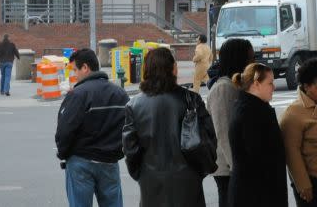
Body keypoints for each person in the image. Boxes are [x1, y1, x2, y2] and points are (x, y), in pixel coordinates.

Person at [123, 47, 216, 206]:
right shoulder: (191, 99)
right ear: (173, 68)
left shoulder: (134, 105)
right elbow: (208, 138)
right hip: (189, 181)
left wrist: (143, 175)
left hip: (151, 182)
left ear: (147, 70)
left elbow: (130, 149)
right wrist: (200, 170)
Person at [56, 48, 129, 207]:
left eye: (75, 69)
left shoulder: (78, 94)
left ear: (85, 68)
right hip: (110, 161)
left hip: (81, 161)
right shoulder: (120, 94)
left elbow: (64, 131)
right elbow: (129, 129)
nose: (74, 74)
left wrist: (63, 154)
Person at [227, 62, 287, 207]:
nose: (274, 87)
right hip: (256, 194)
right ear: (256, 84)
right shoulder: (251, 112)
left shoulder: (250, 107)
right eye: (270, 83)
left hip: (255, 191)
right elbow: (259, 156)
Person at [206, 38, 255, 207]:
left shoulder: (235, 85)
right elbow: (223, 132)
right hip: (228, 169)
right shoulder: (223, 89)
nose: (252, 63)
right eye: (249, 58)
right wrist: (237, 168)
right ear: (238, 59)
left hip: (237, 166)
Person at [280, 59, 317, 207]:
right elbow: (291, 151)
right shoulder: (294, 113)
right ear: (306, 87)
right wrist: (303, 184)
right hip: (314, 182)